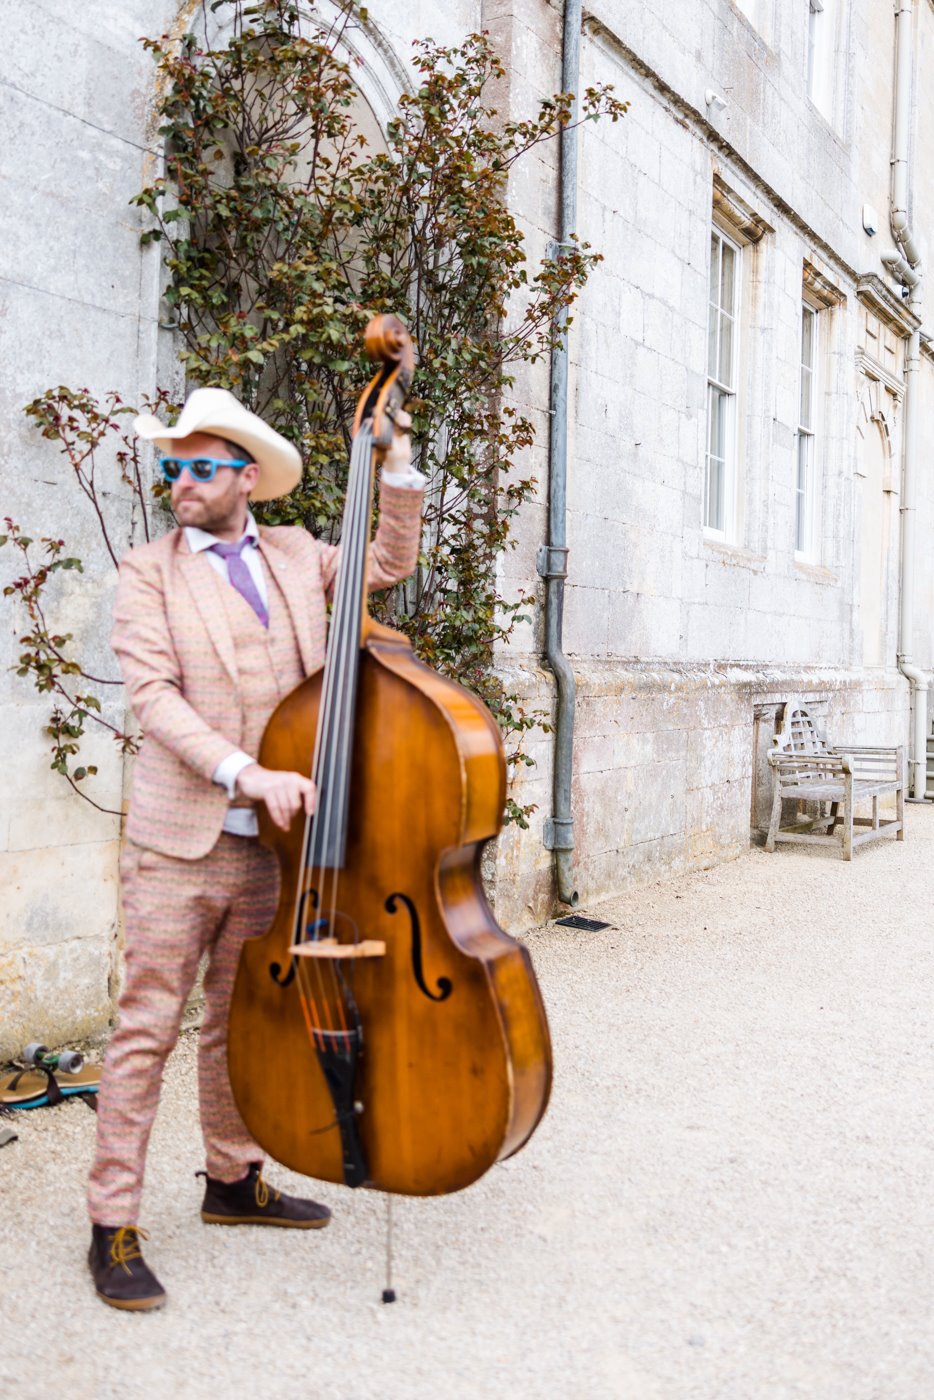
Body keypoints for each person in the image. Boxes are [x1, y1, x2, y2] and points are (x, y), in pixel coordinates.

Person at [86, 387, 424, 1310]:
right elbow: (153, 698)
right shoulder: (148, 571)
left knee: (238, 1024)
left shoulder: (293, 552)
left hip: (278, 851)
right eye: (171, 467)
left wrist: (390, 462)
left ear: (245, 478)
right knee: (147, 1028)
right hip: (180, 842)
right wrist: (245, 771)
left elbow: (388, 559)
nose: (179, 482)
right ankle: (111, 1219)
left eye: (199, 466)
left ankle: (233, 1181)